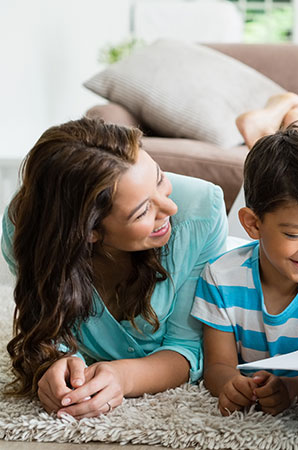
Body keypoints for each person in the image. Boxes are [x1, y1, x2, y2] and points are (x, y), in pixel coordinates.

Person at [1, 117, 228, 419]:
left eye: (160, 178)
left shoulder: (202, 210)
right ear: (88, 232)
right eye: (143, 210)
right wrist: (55, 365)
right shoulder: (28, 231)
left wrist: (122, 377)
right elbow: (50, 327)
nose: (170, 208)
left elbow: (187, 347)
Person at [190, 124, 298, 416]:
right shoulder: (220, 277)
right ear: (253, 225)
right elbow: (218, 365)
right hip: (242, 252)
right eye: (295, 234)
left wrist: (290, 390)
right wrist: (231, 384)